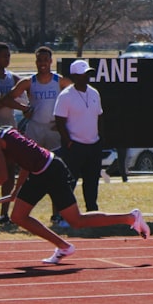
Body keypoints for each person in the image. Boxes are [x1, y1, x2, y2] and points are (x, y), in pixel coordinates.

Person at [0, 111, 148, 264]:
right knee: (18, 216)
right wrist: (17, 190)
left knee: (76, 221)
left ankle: (130, 217)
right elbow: (25, 160)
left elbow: (2, 175)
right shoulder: (0, 132)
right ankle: (64, 246)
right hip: (39, 171)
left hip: (51, 171)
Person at [4, 47, 72, 224]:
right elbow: (8, 98)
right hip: (35, 129)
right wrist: (24, 108)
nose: (42, 63)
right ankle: (17, 210)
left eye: (45, 60)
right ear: (36, 62)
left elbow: (76, 96)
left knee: (56, 172)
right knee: (26, 170)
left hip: (53, 131)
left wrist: (63, 122)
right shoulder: (29, 82)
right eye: (39, 60)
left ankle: (57, 213)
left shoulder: (60, 81)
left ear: (51, 61)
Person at [54, 60, 104, 213]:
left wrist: (99, 138)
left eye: (88, 74)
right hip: (75, 146)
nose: (87, 77)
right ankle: (64, 214)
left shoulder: (94, 92)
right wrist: (68, 142)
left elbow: (99, 116)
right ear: (75, 76)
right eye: (83, 74)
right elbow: (59, 121)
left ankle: (92, 212)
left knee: (92, 181)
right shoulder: (66, 96)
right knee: (69, 182)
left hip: (93, 145)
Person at [0, 42, 23, 224]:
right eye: (4, 56)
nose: (7, 59)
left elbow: (22, 97)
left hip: (10, 128)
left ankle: (4, 212)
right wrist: (10, 101)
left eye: (9, 56)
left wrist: (8, 101)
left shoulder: (13, 78)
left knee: (9, 172)